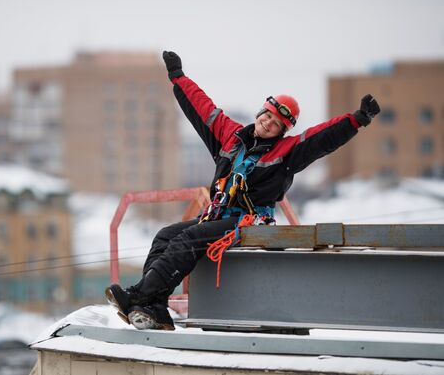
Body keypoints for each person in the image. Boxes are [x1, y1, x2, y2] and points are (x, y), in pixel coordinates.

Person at [106, 50, 381, 331]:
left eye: (277, 124)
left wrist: (357, 119)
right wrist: (178, 77)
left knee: (190, 238)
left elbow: (321, 138)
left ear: (281, 132)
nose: (269, 123)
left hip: (250, 222)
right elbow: (203, 109)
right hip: (218, 217)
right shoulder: (231, 137)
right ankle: (155, 307)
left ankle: (139, 295)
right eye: (268, 116)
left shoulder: (286, 154)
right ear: (260, 112)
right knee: (165, 236)